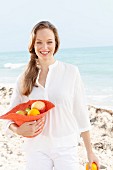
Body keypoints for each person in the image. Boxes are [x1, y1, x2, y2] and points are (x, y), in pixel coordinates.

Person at [5, 21, 100, 170]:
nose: (44, 47)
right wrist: (18, 130)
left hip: (66, 147)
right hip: (35, 149)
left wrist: (90, 152)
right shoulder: (23, 78)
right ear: (33, 45)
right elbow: (9, 117)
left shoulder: (71, 72)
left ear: (56, 44)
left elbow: (81, 114)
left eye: (49, 42)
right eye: (39, 42)